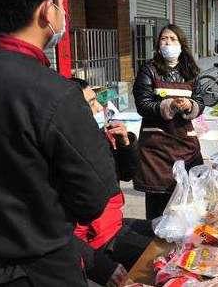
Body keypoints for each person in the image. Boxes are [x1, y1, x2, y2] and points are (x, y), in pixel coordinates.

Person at [0, 0, 118, 286]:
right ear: (46, 12)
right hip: (40, 272)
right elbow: (93, 196)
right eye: (61, 3)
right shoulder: (54, 93)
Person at [70, 78, 153, 287]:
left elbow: (126, 174)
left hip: (115, 224)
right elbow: (59, 232)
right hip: (97, 243)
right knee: (158, 259)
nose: (99, 108)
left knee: (170, 234)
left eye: (96, 101)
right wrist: (98, 265)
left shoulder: (101, 138)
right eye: (90, 103)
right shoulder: (65, 154)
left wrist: (126, 143)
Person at [133, 24, 204, 220]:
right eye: (164, 39)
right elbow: (143, 104)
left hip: (185, 144)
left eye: (173, 39)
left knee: (186, 207)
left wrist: (189, 106)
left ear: (182, 44)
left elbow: (200, 101)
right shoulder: (149, 70)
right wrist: (169, 106)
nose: (168, 43)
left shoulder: (190, 71)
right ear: (158, 44)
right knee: (158, 210)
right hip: (156, 148)